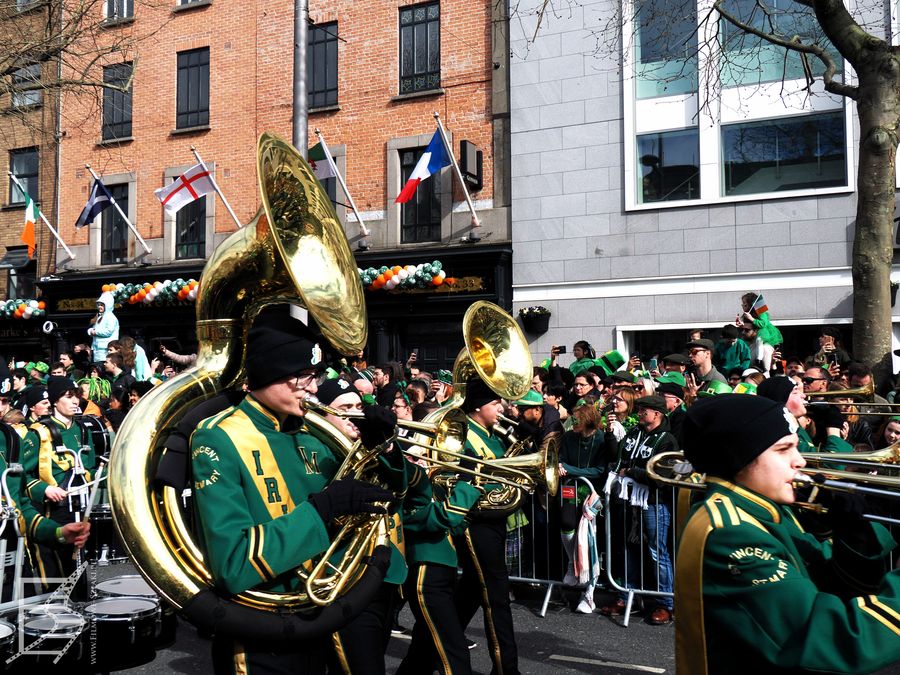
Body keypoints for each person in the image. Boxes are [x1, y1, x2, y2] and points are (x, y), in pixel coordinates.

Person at [190, 309, 394, 675]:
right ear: (270, 371)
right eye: (304, 375)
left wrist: (382, 449)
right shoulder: (218, 437)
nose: (313, 387)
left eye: (314, 376)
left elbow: (376, 498)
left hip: (317, 616)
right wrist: (321, 511)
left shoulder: (310, 432)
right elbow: (233, 565)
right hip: (258, 632)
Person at [676, 394, 900, 674]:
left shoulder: (769, 511)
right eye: (784, 449)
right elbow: (830, 639)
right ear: (739, 458)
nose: (801, 461)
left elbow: (834, 589)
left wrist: (854, 536)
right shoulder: (730, 533)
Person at [454, 377, 520, 675]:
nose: (501, 408)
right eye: (495, 403)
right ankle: (507, 669)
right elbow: (466, 479)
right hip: (475, 523)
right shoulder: (463, 435)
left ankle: (426, 652)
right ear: (479, 406)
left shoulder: (494, 434)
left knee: (467, 596)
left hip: (494, 521)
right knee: (496, 597)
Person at [601, 395, 678, 624]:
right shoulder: (634, 433)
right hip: (630, 500)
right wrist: (609, 435)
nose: (641, 413)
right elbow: (619, 458)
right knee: (628, 547)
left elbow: (662, 476)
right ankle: (626, 597)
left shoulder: (667, 440)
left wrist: (632, 472)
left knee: (657, 552)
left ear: (657, 414)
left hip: (654, 503)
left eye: (645, 410)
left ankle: (666, 603)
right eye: (641, 409)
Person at [21, 376, 97, 585]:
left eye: (77, 397)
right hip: (51, 512)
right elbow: (21, 477)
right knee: (56, 582)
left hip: (80, 508)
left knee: (81, 578)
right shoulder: (38, 433)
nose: (75, 402)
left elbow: (90, 467)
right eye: (68, 397)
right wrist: (44, 489)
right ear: (54, 401)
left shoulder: (83, 430)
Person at [557, 399, 605, 613]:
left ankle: (590, 593)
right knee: (566, 524)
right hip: (570, 491)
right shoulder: (569, 437)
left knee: (590, 539)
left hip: (592, 495)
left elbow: (598, 471)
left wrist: (571, 469)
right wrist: (561, 467)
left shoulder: (601, 439)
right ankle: (572, 563)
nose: (572, 422)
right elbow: (562, 461)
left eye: (576, 419)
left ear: (587, 421)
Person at [87, 290, 119, 363]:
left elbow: (108, 331)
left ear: (108, 305)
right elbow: (96, 328)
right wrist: (91, 331)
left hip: (105, 350)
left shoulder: (111, 317)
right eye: (98, 305)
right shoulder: (101, 316)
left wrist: (95, 332)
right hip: (98, 350)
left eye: (101, 305)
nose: (99, 307)